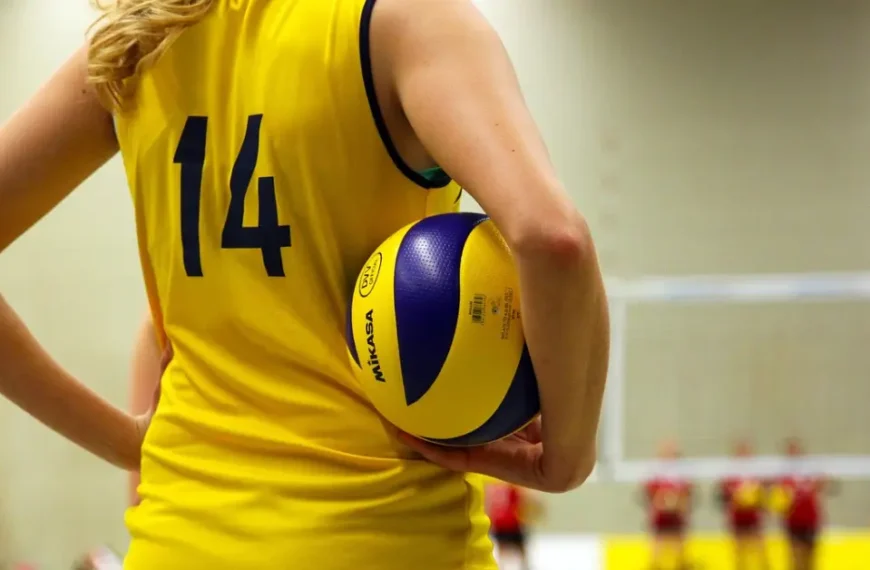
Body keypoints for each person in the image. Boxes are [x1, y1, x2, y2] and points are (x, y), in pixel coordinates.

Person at [0, 0, 610, 568]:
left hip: (179, 536)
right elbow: (552, 240)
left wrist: (126, 442)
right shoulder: (403, 22)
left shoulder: (137, 42)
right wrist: (569, 457)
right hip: (383, 538)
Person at [774, 438, 836, 570]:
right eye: (790, 451)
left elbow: (826, 485)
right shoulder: (783, 474)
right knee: (796, 558)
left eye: (795, 450)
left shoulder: (810, 471)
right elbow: (778, 499)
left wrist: (820, 482)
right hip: (793, 521)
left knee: (810, 559)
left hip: (810, 520)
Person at [717, 440, 769, 570]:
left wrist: (757, 496)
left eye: (746, 452)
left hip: (754, 521)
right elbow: (724, 497)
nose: (744, 455)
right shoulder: (730, 474)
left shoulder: (758, 473)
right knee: (739, 557)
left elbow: (765, 496)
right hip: (737, 520)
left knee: (760, 556)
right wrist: (736, 496)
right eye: (741, 452)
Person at [642, 440, 693, 570]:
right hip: (660, 517)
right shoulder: (654, 471)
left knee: (679, 552)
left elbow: (687, 495)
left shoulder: (682, 473)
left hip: (677, 517)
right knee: (657, 551)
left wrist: (677, 503)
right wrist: (662, 502)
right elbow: (650, 495)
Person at [484, 481, 541, 570]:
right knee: (512, 550)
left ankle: (520, 566)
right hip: (510, 523)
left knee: (512, 550)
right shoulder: (511, 487)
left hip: (507, 523)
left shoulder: (498, 487)